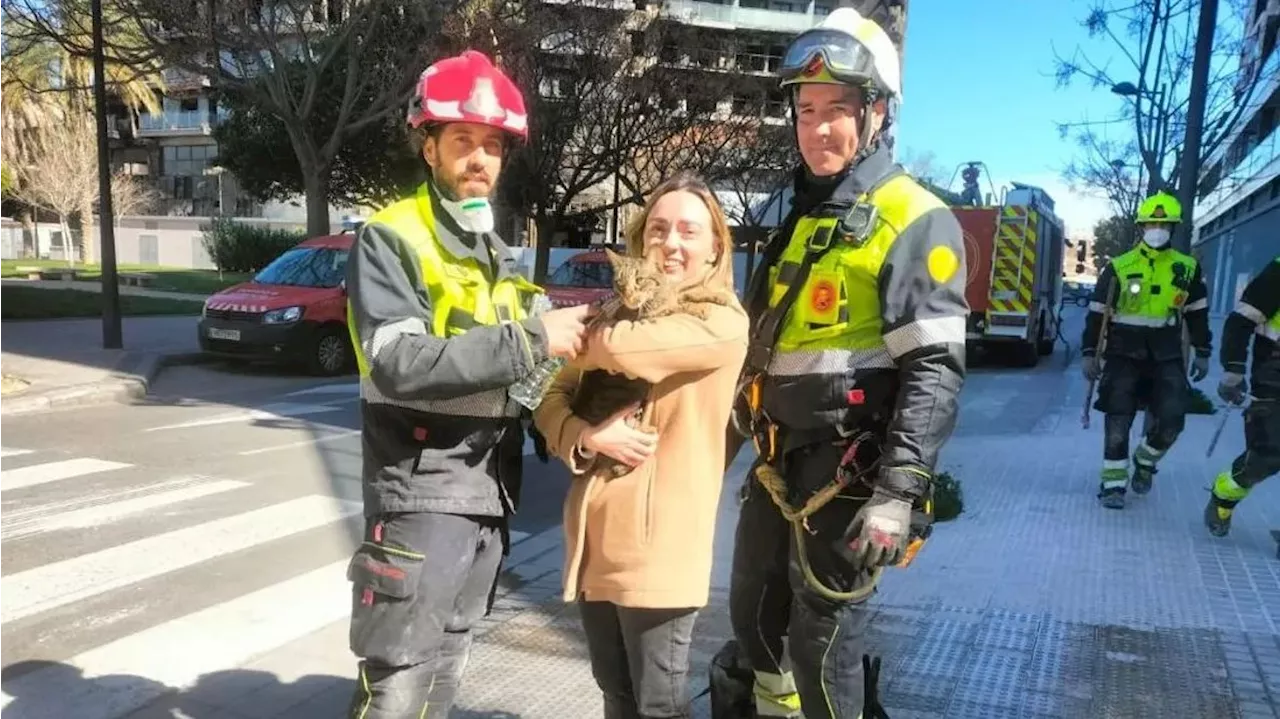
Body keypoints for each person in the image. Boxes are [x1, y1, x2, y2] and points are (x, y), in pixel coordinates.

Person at [721, 8, 969, 718]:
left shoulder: (914, 218)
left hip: (851, 477)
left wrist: (898, 492)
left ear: (877, 113)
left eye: (837, 110)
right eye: (806, 110)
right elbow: (760, 350)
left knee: (822, 640)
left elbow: (934, 370)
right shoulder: (806, 217)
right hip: (776, 468)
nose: (818, 127)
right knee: (754, 620)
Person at [342, 50, 596, 719]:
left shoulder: (494, 252)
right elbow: (398, 362)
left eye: (492, 145)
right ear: (428, 147)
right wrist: (536, 339)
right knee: (399, 681)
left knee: (444, 673)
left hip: (486, 492)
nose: (480, 159)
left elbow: (527, 371)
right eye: (462, 141)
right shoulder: (391, 237)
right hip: (420, 491)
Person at [533, 172, 749, 719]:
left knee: (659, 705)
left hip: (660, 553)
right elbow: (547, 397)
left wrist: (562, 337)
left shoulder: (721, 321)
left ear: (715, 246)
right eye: (657, 229)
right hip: (593, 543)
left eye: (687, 231)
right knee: (616, 697)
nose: (670, 243)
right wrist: (584, 435)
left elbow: (629, 350)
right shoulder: (616, 309)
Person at [1081, 191, 1212, 510]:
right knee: (1118, 418)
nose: (1157, 228)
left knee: (1172, 418)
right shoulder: (1119, 267)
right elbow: (1098, 313)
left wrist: (1203, 349)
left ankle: (1144, 460)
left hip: (1166, 353)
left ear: (1173, 227)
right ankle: (1113, 484)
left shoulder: (1187, 269)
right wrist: (1089, 352)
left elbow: (1197, 313)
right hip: (1123, 352)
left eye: (1163, 223)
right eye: (1151, 222)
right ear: (1141, 226)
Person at [1204, 257, 1280, 537]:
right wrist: (1233, 369)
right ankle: (1223, 497)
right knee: (1268, 455)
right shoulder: (1277, 273)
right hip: (1274, 380)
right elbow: (1240, 322)